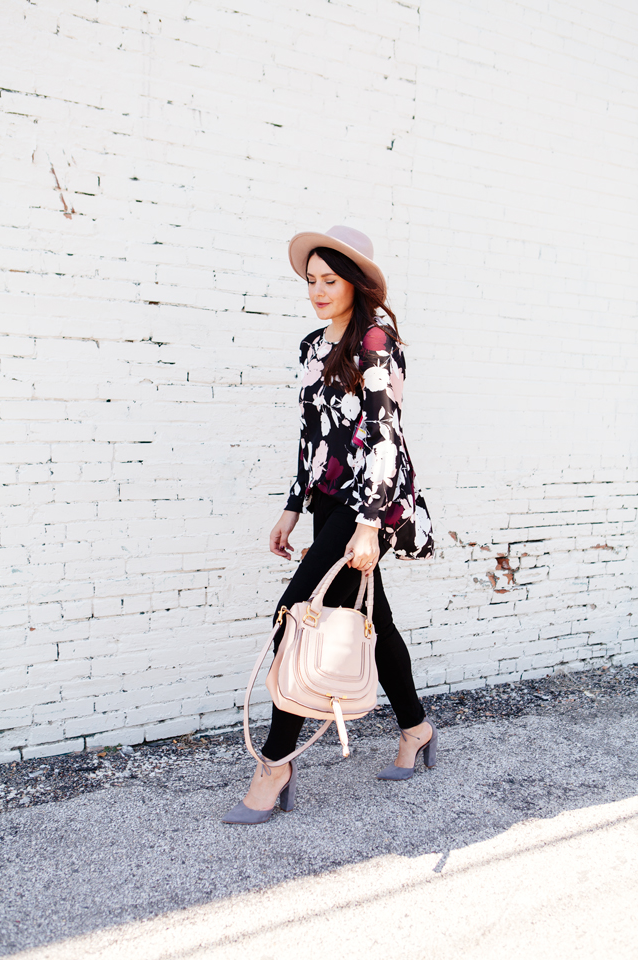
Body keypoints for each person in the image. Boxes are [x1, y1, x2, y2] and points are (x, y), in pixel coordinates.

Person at [223, 225, 436, 825]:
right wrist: (292, 506)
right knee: (376, 622)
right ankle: (416, 728)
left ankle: (274, 766)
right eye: (311, 281)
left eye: (329, 280)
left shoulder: (376, 338)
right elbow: (310, 436)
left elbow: (383, 435)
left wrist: (370, 524)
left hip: (363, 506)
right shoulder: (311, 346)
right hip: (324, 505)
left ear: (355, 283)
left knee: (295, 615)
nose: (317, 291)